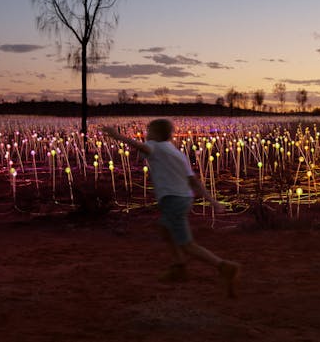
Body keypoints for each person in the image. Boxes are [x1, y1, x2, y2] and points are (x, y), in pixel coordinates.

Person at [101, 118, 241, 297]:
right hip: (182, 199)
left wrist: (116, 136)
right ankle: (179, 266)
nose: (146, 134)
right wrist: (212, 200)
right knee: (164, 228)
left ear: (156, 134)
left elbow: (142, 147)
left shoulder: (156, 146)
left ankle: (224, 267)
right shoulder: (177, 153)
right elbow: (193, 181)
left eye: (148, 131)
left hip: (173, 200)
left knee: (188, 244)